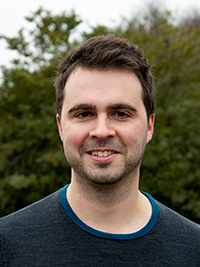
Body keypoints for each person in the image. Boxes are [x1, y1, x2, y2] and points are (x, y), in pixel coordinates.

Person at [0, 34, 199, 267]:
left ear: (149, 126)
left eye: (120, 114)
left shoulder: (194, 250)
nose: (102, 131)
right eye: (84, 114)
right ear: (60, 127)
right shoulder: (7, 246)